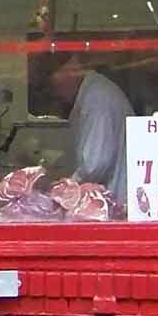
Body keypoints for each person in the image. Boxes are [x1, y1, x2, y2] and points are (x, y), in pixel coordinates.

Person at [47, 55, 133, 208]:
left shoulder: (97, 98)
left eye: (57, 87)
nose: (58, 95)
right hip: (105, 199)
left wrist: (66, 189)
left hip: (112, 199)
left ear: (67, 73)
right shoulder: (93, 93)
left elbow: (95, 163)